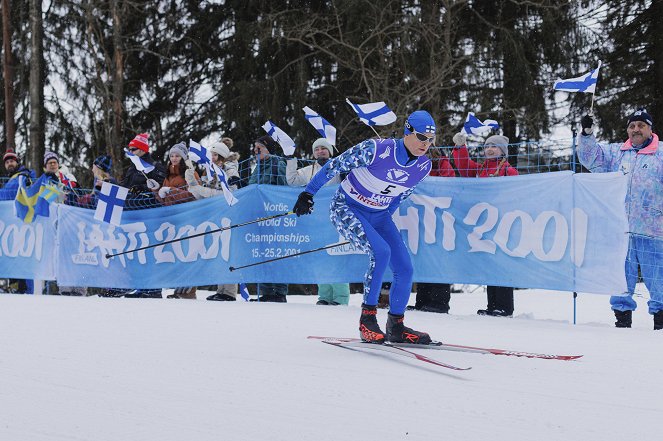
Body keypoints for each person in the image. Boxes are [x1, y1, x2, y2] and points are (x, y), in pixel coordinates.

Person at [293, 110, 437, 344]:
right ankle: (367, 321)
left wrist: (382, 218)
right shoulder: (377, 149)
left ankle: (396, 326)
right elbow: (334, 165)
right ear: (408, 131)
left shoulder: (423, 166)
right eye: (422, 137)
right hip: (347, 207)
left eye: (431, 140)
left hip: (379, 215)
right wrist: (308, 193)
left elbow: (400, 196)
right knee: (381, 252)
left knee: (405, 268)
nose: (426, 144)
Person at [578, 110, 663, 330]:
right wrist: (587, 134)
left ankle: (661, 320)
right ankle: (622, 318)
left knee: (658, 276)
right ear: (627, 130)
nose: (636, 129)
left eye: (641, 125)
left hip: (654, 230)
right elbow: (591, 157)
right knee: (621, 276)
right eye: (632, 126)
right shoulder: (617, 153)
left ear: (650, 129)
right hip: (621, 228)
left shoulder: (661, 153)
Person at [453, 132, 518, 317]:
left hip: (504, 223)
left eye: (494, 146)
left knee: (502, 263)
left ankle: (505, 307)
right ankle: (493, 305)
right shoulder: (480, 169)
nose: (489, 149)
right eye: (487, 146)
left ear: (503, 151)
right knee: (489, 262)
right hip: (485, 224)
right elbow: (464, 166)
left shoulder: (509, 171)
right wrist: (461, 147)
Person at [286, 138, 348, 306]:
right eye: (317, 149)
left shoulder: (339, 167)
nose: (320, 151)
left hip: (336, 219)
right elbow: (292, 181)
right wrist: (291, 159)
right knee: (321, 256)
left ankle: (340, 297)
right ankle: (325, 296)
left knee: (337, 256)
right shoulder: (308, 171)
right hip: (317, 221)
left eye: (324, 148)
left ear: (330, 151)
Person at [120, 133, 166, 299]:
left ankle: (153, 287)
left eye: (134, 149)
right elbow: (124, 186)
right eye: (130, 149)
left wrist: (144, 188)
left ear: (142, 150)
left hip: (149, 213)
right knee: (135, 250)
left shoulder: (155, 165)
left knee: (149, 250)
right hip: (133, 213)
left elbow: (159, 185)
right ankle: (140, 285)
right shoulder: (132, 167)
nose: (130, 152)